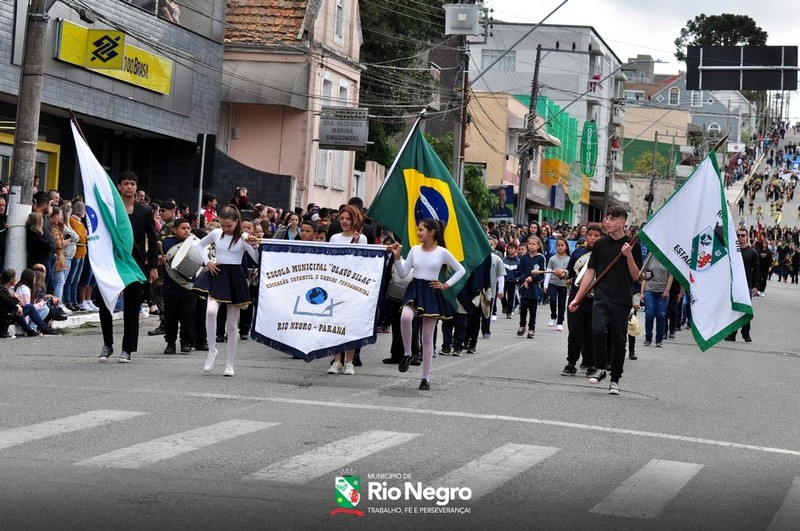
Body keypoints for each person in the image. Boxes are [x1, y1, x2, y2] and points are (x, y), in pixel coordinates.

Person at [568, 206, 642, 396]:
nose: (607, 222)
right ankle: (600, 367)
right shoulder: (600, 244)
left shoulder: (633, 244)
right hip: (601, 296)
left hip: (622, 298)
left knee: (619, 340)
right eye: (606, 218)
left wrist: (628, 256)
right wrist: (577, 298)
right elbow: (590, 273)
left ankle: (615, 379)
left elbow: (636, 276)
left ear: (622, 222)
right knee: (598, 330)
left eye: (612, 218)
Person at [390, 218, 466, 390]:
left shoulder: (442, 252)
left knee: (427, 337)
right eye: (418, 229)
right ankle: (408, 353)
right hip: (415, 288)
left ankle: (425, 378)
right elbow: (402, 274)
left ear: (431, 232)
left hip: (431, 291)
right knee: (405, 317)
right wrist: (397, 258)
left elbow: (461, 270)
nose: (418, 232)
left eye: (421, 230)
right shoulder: (414, 250)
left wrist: (445, 285)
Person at [98, 171, 160, 363]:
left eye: (132, 184)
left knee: (132, 307)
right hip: (111, 261)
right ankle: (107, 344)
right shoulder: (110, 209)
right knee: (105, 303)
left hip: (135, 263)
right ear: (119, 186)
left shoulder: (145, 211)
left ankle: (127, 349)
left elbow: (152, 239)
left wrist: (153, 266)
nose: (129, 187)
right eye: (126, 183)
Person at [193, 206, 259, 376]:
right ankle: (212, 350)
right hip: (218, 273)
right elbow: (199, 245)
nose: (225, 228)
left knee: (231, 324)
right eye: (223, 225)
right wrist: (208, 262)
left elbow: (256, 258)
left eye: (229, 225)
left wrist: (255, 245)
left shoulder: (244, 237)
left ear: (236, 222)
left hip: (235, 277)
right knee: (210, 311)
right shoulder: (216, 233)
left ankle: (230, 364)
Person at [327, 205, 367, 375]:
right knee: (335, 323)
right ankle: (337, 361)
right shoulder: (334, 238)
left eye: (347, 219)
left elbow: (362, 262)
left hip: (353, 286)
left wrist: (356, 243)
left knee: (350, 324)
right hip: (336, 285)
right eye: (342, 218)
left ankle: (349, 362)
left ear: (354, 220)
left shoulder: (362, 238)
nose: (344, 221)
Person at [561, 224, 602, 376]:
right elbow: (569, 272)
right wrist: (563, 274)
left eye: (596, 236)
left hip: (596, 298)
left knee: (591, 332)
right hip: (576, 296)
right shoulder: (578, 252)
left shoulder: (604, 254)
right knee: (575, 331)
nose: (592, 238)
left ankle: (591, 363)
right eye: (590, 235)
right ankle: (571, 362)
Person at [161, 218, 197, 354]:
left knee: (188, 316)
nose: (186, 231)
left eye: (188, 228)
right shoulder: (167, 243)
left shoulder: (194, 242)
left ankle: (185, 343)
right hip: (171, 286)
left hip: (188, 286)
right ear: (174, 230)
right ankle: (170, 343)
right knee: (170, 317)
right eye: (183, 228)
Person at [724, 229, 759, 342]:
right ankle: (732, 333)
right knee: (733, 310)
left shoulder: (752, 252)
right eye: (738, 235)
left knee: (745, 310)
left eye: (742, 235)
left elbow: (756, 271)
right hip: (733, 284)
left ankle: (746, 333)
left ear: (747, 237)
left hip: (746, 286)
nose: (740, 237)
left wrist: (756, 286)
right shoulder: (733, 251)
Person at [515, 236, 546, 339]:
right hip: (524, 288)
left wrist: (532, 278)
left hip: (535, 288)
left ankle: (531, 328)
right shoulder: (524, 257)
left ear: (538, 246)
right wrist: (524, 279)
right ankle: (522, 325)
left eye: (534, 244)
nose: (531, 246)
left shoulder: (541, 258)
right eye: (530, 244)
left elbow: (542, 273)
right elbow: (519, 271)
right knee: (523, 307)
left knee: (533, 310)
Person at [640, 254, 672, 348]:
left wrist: (667, 290)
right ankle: (648, 338)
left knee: (661, 316)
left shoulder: (668, 258)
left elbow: (671, 276)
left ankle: (659, 339)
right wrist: (642, 292)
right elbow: (645, 275)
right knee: (649, 314)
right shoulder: (650, 257)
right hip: (650, 290)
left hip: (662, 291)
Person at [546, 237, 570, 331]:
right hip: (553, 283)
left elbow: (570, 273)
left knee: (561, 304)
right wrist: (545, 285)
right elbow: (548, 272)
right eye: (558, 245)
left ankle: (560, 322)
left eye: (562, 245)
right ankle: (553, 316)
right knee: (552, 299)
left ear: (566, 247)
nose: (560, 247)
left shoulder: (569, 259)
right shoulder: (552, 259)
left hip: (563, 285)